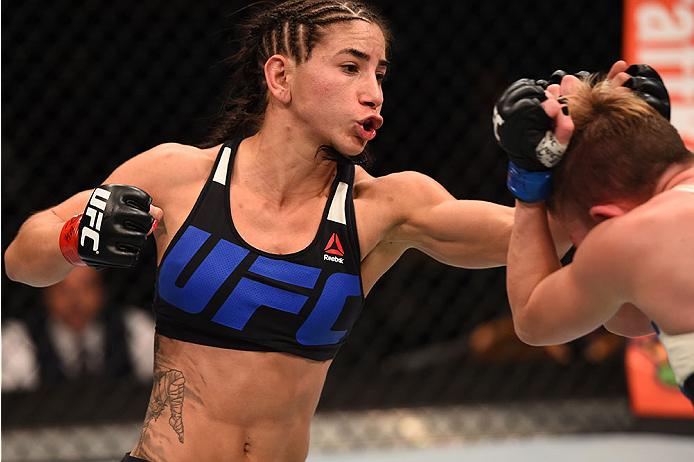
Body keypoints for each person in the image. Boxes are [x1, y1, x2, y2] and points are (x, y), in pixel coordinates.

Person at [4, 1, 571, 461]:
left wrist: (560, 155)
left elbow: (537, 238)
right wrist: (74, 236)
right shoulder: (178, 176)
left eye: (379, 72)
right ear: (281, 77)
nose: (373, 91)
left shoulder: (385, 206)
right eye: (351, 67)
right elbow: (21, 259)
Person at [493, 61, 694, 404]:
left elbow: (533, 319)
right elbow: (631, 318)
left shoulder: (627, 239)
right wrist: (639, 129)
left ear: (605, 220)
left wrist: (528, 186)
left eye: (575, 239)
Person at [1, 265, 155, 391]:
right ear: (46, 291)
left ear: (102, 290)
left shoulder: (133, 329)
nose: (75, 300)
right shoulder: (20, 339)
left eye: (86, 286)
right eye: (63, 289)